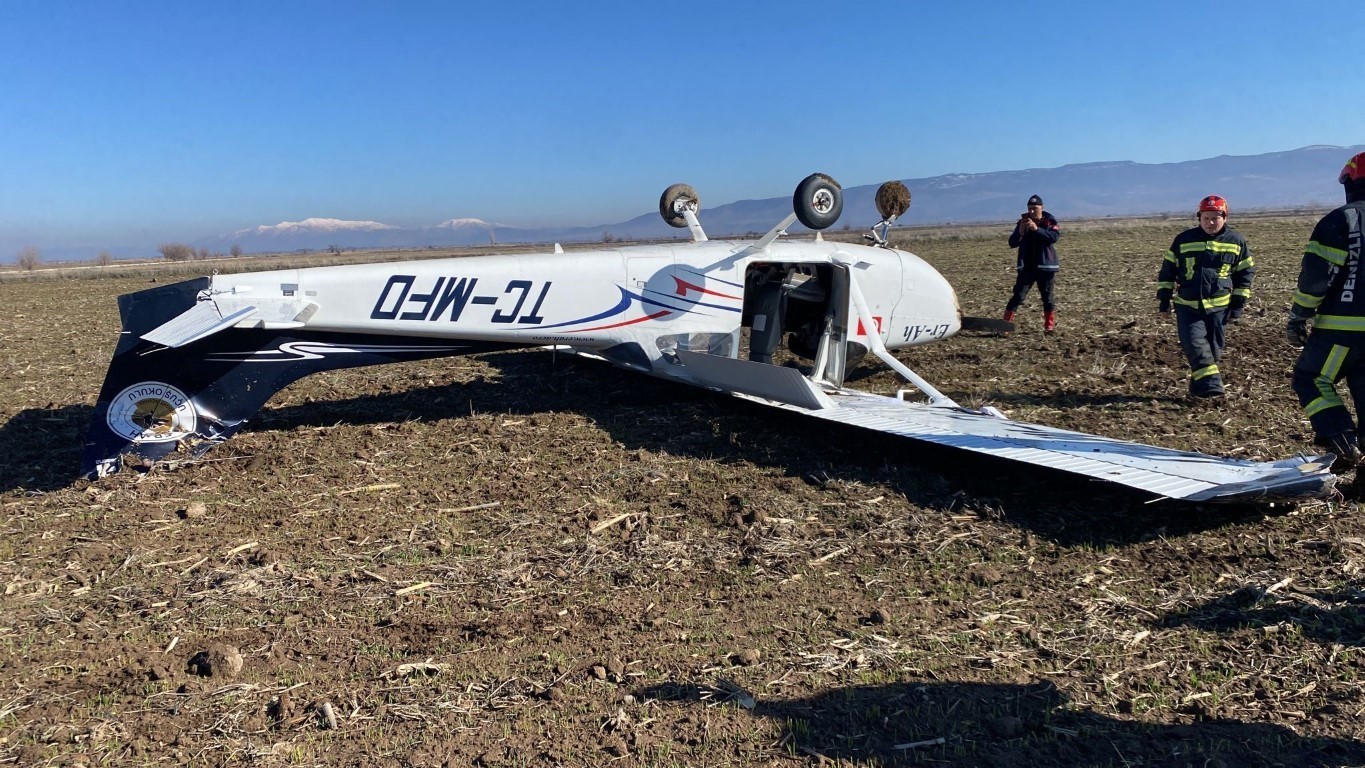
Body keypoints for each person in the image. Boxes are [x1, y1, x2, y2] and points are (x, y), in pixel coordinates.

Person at [1287, 150, 1365, 468]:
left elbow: (1317, 278)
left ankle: (1343, 442)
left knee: (1311, 377)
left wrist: (1299, 315)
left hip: (1343, 327)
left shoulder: (1342, 219)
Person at [1156, 195, 1254, 398]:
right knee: (1195, 346)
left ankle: (1198, 392)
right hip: (1188, 306)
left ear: (1224, 217)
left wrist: (1237, 306)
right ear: (1199, 218)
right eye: (1206, 218)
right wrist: (1164, 299)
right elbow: (1167, 271)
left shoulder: (1237, 242)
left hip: (1220, 308)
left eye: (1215, 218)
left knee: (1213, 353)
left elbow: (1245, 275)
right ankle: (1213, 389)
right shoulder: (1183, 240)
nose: (1210, 223)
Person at [1003, 194, 1061, 332]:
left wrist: (1037, 229)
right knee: (1018, 296)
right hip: (1027, 267)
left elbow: (1053, 237)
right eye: (1030, 208)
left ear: (1042, 207)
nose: (1032, 211)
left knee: (1047, 297)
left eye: (1035, 208)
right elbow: (1012, 243)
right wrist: (1021, 232)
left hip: (1046, 266)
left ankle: (1049, 326)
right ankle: (1005, 325)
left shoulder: (1050, 221)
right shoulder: (1021, 223)